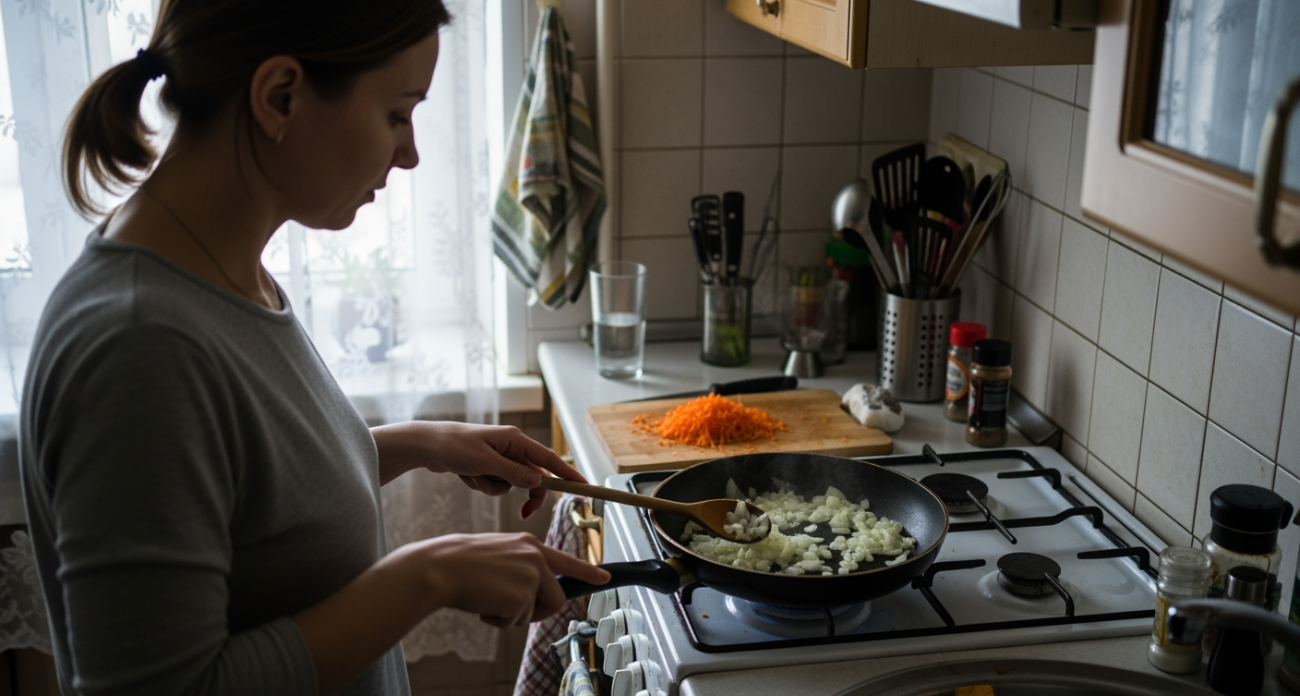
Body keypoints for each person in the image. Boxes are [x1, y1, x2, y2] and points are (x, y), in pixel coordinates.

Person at [17, 1, 610, 695]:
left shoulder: (222, 268)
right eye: (397, 113)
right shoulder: (139, 345)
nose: (411, 152)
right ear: (279, 97)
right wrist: (432, 574)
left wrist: (421, 442)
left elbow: (254, 501)